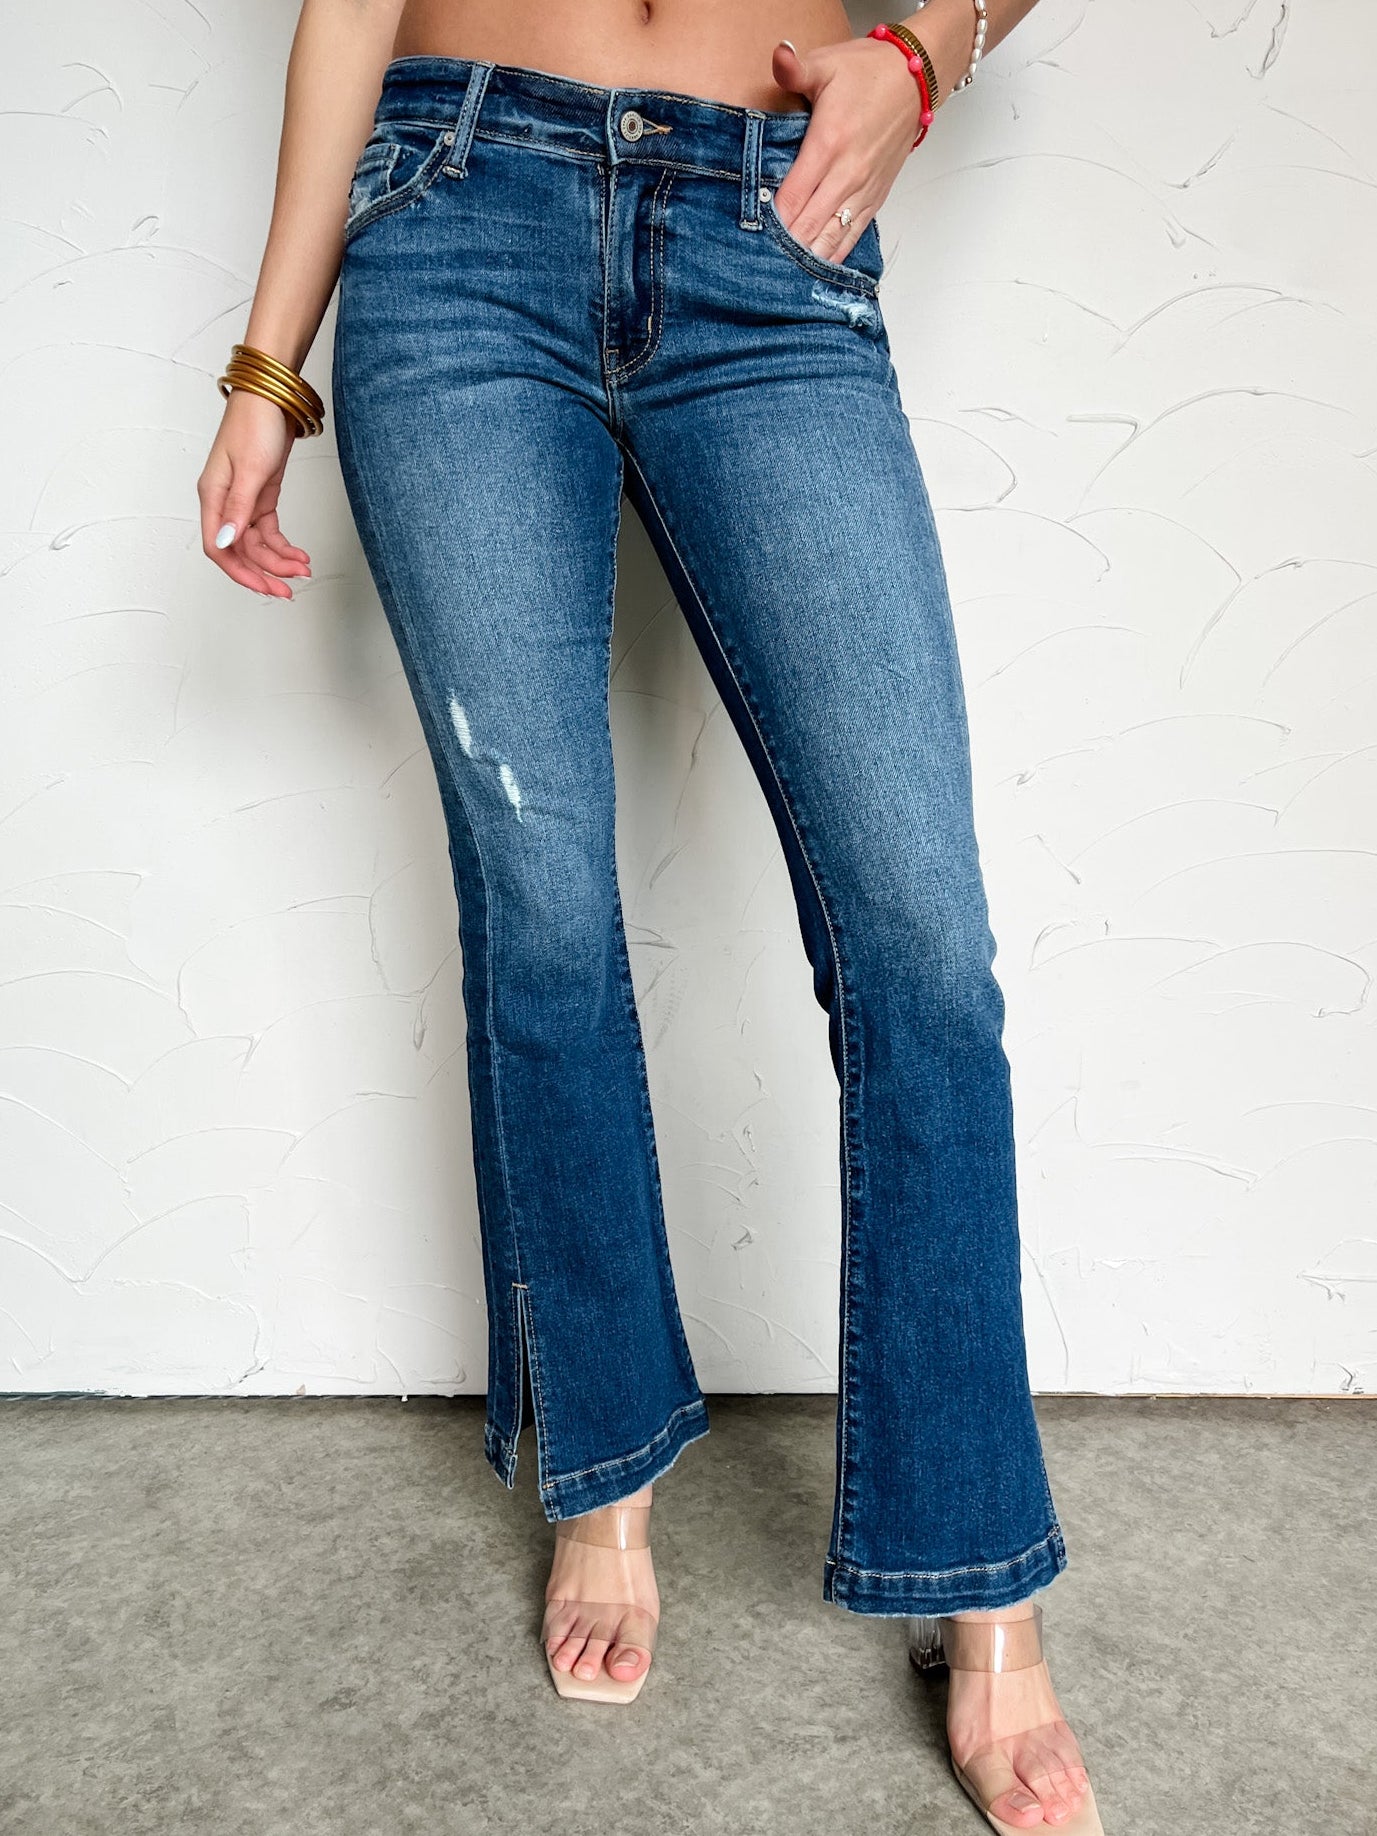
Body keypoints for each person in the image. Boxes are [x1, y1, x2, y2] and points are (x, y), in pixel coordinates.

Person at [198, 1, 1104, 1828]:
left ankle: (981, 1575)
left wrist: (923, 52)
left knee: (921, 943)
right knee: (541, 912)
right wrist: (263, 364)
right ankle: (602, 1478)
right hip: (455, 216)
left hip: (769, 227)